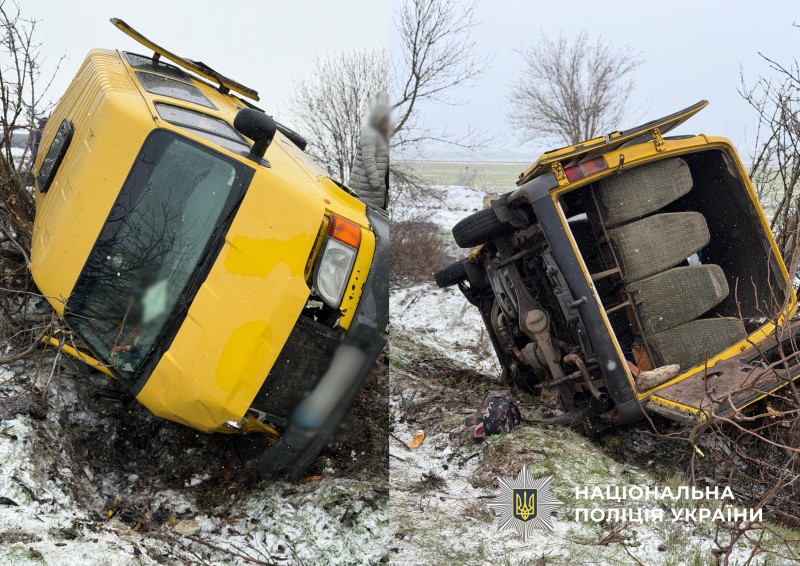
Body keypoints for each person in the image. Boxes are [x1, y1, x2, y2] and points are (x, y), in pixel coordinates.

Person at [349, 95, 390, 210]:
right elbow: (368, 158)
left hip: (374, 193)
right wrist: (375, 182)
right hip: (366, 190)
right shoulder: (371, 133)